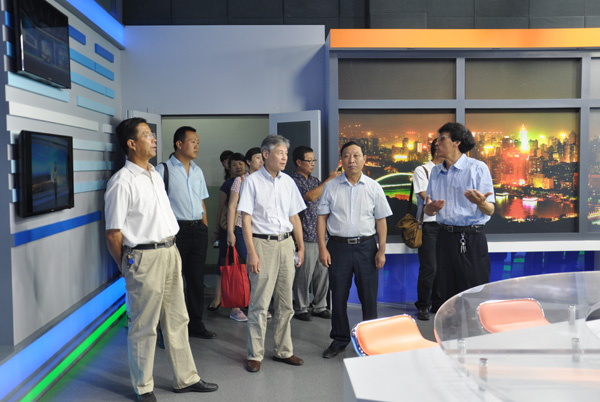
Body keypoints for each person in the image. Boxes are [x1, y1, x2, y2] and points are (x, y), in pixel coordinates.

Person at [104, 118, 217, 402]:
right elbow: (113, 234)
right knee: (144, 326)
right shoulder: (122, 182)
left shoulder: (154, 174)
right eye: (147, 135)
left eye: (153, 135)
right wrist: (125, 266)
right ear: (132, 143)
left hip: (170, 251)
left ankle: (186, 378)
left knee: (178, 318)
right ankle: (143, 387)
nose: (154, 139)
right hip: (144, 257)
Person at [318, 141, 392, 359]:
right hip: (337, 247)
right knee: (338, 295)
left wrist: (381, 250)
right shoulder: (331, 186)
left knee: (368, 297)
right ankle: (339, 339)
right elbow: (322, 219)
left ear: (364, 159)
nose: (351, 160)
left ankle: (371, 340)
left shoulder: (373, 187)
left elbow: (381, 221)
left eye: (356, 155)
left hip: (366, 248)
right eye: (347, 156)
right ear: (342, 159)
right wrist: (323, 248)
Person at [238, 135, 306, 373]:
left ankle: (283, 350)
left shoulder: (288, 181)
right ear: (266, 154)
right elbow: (246, 219)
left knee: (286, 303)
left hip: (286, 244)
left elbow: (294, 216)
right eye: (280, 152)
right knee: (260, 303)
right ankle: (255, 354)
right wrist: (252, 252)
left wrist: (300, 246)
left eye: (286, 153)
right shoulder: (252, 182)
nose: (284, 157)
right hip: (262, 245)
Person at [424, 122, 495, 308]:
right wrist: (430, 209)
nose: (436, 143)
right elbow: (427, 209)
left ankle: (474, 328)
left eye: (442, 139)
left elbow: (490, 210)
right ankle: (450, 328)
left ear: (456, 142)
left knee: (474, 295)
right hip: (444, 237)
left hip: (471, 239)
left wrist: (481, 203)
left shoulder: (477, 168)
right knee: (446, 297)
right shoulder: (435, 172)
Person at [155, 126, 215, 339]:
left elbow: (201, 202)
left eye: (198, 142)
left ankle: (196, 324)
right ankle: (168, 329)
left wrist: (205, 227)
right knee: (172, 281)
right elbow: (156, 205)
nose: (197, 146)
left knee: (196, 279)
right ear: (179, 144)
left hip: (198, 230)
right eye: (192, 141)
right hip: (175, 232)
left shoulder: (198, 171)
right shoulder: (163, 170)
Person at [290, 146, 341, 321]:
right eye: (309, 160)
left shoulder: (315, 180)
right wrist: (330, 180)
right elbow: (310, 197)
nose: (313, 164)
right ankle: (301, 307)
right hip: (304, 235)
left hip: (321, 235)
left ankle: (320, 306)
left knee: (322, 273)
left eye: (314, 160)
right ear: (299, 162)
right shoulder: (292, 181)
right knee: (303, 275)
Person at [226, 147, 264, 322]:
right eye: (257, 157)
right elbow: (232, 206)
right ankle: (236, 307)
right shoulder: (240, 180)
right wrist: (230, 231)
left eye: (262, 157)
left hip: (259, 230)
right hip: (241, 228)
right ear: (249, 162)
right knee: (243, 265)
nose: (261, 161)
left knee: (257, 267)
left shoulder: (263, 179)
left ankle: (254, 305)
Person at [208, 152, 247, 311]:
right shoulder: (228, 185)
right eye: (234, 165)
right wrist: (217, 231)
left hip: (245, 229)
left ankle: (241, 297)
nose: (238, 167)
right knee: (224, 263)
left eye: (241, 163)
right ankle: (218, 298)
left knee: (241, 263)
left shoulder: (249, 180)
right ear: (228, 167)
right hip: (229, 230)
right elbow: (221, 210)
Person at [412, 138, 444, 321]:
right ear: (437, 149)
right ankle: (423, 304)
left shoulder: (450, 171)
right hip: (429, 225)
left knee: (443, 267)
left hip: (447, 225)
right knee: (429, 267)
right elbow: (425, 196)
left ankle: (439, 303)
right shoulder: (422, 170)